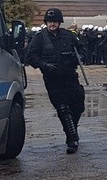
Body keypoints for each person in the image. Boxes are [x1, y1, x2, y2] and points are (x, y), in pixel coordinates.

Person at [27, 8, 86, 154]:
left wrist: (78, 57)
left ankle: (72, 127)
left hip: (70, 77)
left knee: (78, 106)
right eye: (49, 21)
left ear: (59, 22)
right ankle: (72, 139)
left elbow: (83, 48)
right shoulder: (39, 38)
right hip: (53, 79)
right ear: (46, 22)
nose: (52, 24)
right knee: (63, 108)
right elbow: (31, 56)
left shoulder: (68, 36)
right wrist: (44, 65)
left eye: (54, 21)